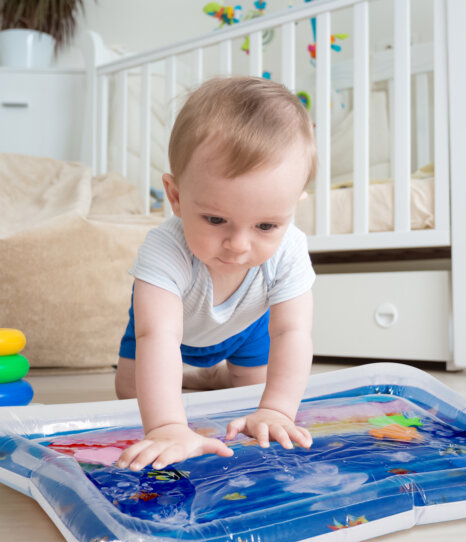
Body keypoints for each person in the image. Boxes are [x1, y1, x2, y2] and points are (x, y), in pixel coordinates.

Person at [115, 76, 317, 471]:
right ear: (175, 196)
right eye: (216, 219)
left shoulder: (290, 249)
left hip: (246, 328)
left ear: (294, 206)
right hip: (165, 329)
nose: (239, 245)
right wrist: (167, 426)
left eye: (265, 226)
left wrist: (277, 409)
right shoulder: (165, 249)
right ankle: (199, 377)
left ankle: (214, 377)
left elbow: (292, 333)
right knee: (128, 393)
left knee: (251, 398)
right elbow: (157, 335)